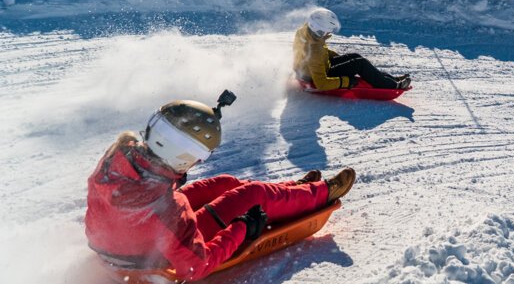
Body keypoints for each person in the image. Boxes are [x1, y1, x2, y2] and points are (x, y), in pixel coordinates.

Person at [85, 92, 355, 282]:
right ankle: (321, 193)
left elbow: (156, 166)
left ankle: (294, 192)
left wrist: (198, 126)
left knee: (224, 184)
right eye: (193, 158)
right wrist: (241, 228)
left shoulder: (119, 155)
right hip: (152, 258)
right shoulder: (168, 211)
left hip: (126, 240)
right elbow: (195, 267)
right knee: (253, 196)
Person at [293, 8, 411, 91]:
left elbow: (319, 53)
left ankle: (390, 79)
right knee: (359, 64)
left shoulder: (306, 32)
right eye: (327, 30)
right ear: (318, 30)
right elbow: (321, 84)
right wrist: (345, 81)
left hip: (309, 69)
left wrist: (338, 58)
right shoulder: (314, 51)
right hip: (315, 75)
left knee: (354, 57)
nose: (329, 32)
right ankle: (392, 86)